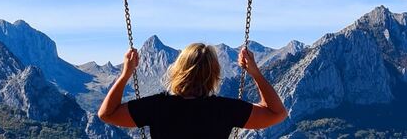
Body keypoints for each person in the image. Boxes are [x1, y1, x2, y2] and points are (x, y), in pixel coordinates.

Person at [98, 43, 288, 138]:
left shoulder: (157, 106)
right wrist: (254, 72)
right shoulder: (226, 110)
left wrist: (125, 75)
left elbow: (107, 114)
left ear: (178, 69)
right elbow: (277, 113)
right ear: (214, 74)